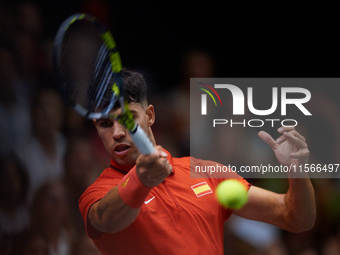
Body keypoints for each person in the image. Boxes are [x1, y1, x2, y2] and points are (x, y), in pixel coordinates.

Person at [79, 69, 316, 254]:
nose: (117, 132)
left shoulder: (206, 172)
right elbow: (105, 220)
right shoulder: (99, 192)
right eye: (105, 124)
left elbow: (296, 218)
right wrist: (140, 180)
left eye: (127, 119)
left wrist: (297, 172)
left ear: (150, 115)